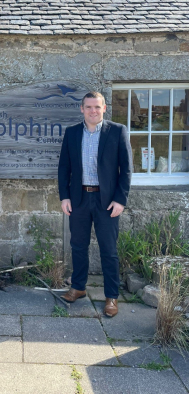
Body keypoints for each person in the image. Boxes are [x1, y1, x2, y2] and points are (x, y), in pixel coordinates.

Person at [58, 91, 132, 317]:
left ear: (104, 108)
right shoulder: (72, 133)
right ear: (82, 109)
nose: (93, 111)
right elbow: (64, 168)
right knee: (78, 246)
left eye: (97, 107)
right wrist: (65, 197)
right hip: (79, 199)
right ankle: (78, 287)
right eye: (88, 107)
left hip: (107, 201)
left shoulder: (117, 131)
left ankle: (111, 296)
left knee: (108, 250)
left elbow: (126, 169)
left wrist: (120, 199)